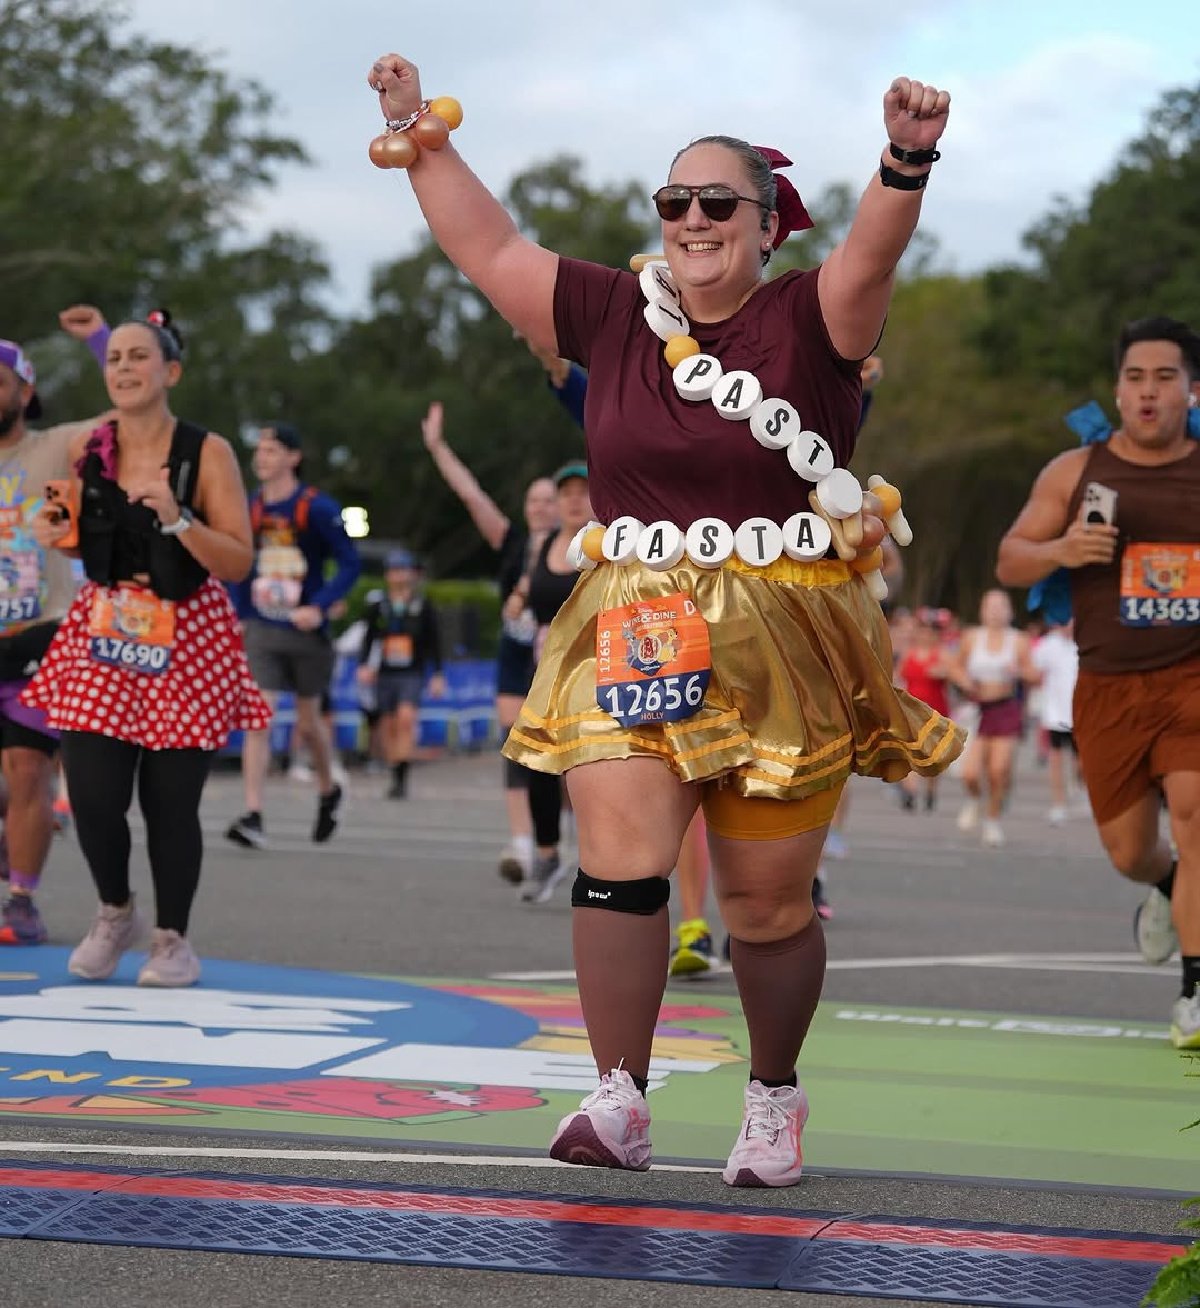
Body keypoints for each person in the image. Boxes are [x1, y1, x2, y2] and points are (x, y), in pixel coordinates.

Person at [370, 55, 962, 1182]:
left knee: (761, 904)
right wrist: (417, 132)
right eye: (674, 203)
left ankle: (774, 1098)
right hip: (635, 618)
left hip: (787, 631)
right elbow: (490, 251)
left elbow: (877, 250)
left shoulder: (815, 316)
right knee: (620, 859)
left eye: (717, 203)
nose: (691, 221)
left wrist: (904, 160)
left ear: (766, 223)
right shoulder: (611, 309)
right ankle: (619, 1097)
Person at [24, 311, 269, 985]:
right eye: (116, 359)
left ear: (171, 372)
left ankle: (171, 939)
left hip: (187, 636)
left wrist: (177, 517)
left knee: (169, 805)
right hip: (104, 627)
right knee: (95, 797)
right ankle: (114, 912)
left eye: (140, 357)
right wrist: (60, 534)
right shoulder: (92, 446)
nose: (126, 368)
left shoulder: (205, 452)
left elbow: (240, 560)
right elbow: (80, 532)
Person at [996, 315, 1200, 1050]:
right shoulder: (1073, 472)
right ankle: (1168, 888)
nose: (1148, 393)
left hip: (1192, 679)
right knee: (1132, 853)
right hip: (1108, 685)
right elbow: (1010, 560)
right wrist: (1063, 547)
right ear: (1118, 389)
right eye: (1135, 379)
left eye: (1165, 378)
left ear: (1191, 388)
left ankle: (1194, 992)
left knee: (1195, 812)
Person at [421, 400, 558, 879]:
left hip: (559, 658)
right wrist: (438, 448)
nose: (540, 507)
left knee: (557, 758)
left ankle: (554, 839)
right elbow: (471, 495)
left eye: (548, 500)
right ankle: (522, 843)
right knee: (515, 744)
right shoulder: (512, 541)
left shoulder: (580, 546)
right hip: (514, 652)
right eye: (533, 500)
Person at [225, 424, 360, 848]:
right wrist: (237, 614)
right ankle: (252, 813)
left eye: (271, 450)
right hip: (262, 628)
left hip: (307, 631)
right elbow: (240, 565)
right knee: (259, 716)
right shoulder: (248, 509)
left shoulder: (317, 508)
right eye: (258, 449)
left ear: (293, 457)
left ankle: (328, 788)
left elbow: (350, 563)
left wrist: (318, 606)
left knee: (310, 722)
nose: (261, 457)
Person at [0, 341, 92, 945]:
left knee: (28, 769)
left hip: (40, 632)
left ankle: (21, 900)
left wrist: (108, 345)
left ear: (25, 391)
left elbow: (134, 418)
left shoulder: (54, 448)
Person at [504, 461, 593, 904]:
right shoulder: (544, 546)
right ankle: (547, 853)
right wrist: (516, 601)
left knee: (587, 770)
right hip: (543, 673)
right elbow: (525, 589)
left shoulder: (601, 547)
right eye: (566, 492)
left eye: (583, 490)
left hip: (593, 673)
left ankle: (600, 863)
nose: (574, 499)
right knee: (537, 762)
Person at [947, 589, 1037, 848]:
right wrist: (964, 681)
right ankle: (975, 800)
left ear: (1010, 611)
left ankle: (992, 820)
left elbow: (1033, 674)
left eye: (1001, 607)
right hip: (978, 710)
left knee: (998, 770)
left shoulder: (1018, 640)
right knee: (970, 772)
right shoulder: (971, 637)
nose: (996, 612)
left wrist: (1019, 671)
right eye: (991, 607)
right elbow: (954, 666)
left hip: (1005, 709)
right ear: (982, 611)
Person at [357, 549, 446, 798]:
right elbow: (368, 637)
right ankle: (395, 768)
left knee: (406, 719)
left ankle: (402, 777)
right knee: (387, 724)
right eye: (393, 571)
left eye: (401, 570)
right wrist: (364, 664)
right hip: (385, 671)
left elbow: (434, 642)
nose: (397, 576)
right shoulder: (379, 605)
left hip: (411, 671)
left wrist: (438, 674)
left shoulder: (422, 605)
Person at [897, 610, 953, 811]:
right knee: (910, 753)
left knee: (932, 755)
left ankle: (930, 790)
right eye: (924, 630)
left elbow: (953, 672)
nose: (927, 635)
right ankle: (910, 790)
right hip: (912, 712)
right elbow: (898, 678)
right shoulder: (909, 654)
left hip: (935, 712)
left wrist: (943, 672)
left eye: (931, 631)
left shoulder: (942, 653)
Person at [1030, 618, 1081, 823]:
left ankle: (1079, 786)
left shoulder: (1085, 641)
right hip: (1056, 713)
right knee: (1056, 760)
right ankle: (1058, 803)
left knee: (1082, 762)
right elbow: (1033, 670)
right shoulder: (1048, 644)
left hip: (1082, 713)